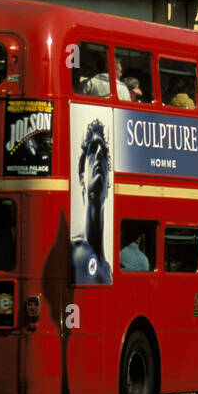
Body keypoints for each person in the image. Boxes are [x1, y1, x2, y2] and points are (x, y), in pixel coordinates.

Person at [70, 119, 112, 285]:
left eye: (103, 151)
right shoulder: (71, 251)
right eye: (93, 149)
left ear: (109, 183)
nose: (100, 153)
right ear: (81, 177)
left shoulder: (108, 270)